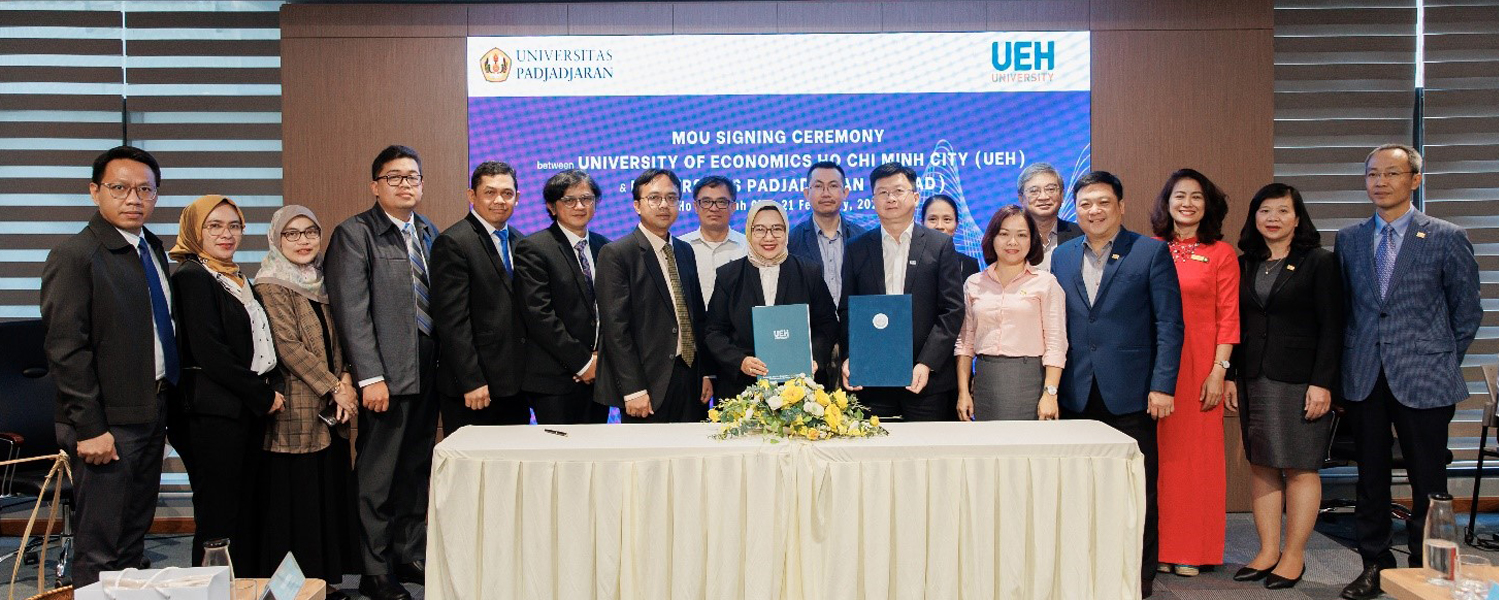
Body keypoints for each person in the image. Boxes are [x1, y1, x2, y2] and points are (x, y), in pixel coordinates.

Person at [1337, 144, 1482, 600]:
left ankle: (1428, 570)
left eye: (1392, 173)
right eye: (1372, 174)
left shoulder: (1445, 236)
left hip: (1425, 377)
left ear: (1415, 180)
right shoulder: (1349, 238)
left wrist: (1439, 357)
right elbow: (1346, 308)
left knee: (1429, 483)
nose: (1380, 182)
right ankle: (1375, 566)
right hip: (1365, 374)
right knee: (1371, 480)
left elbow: (1467, 312)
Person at [42, 146, 176, 587]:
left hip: (150, 409)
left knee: (133, 537)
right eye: (119, 188)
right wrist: (89, 428)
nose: (133, 198)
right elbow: (66, 349)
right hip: (104, 422)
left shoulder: (151, 248)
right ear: (95, 191)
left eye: (145, 189)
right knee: (100, 544)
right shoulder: (75, 254)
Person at [1050, 170, 1183, 598]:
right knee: (1079, 491)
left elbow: (1169, 324)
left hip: (1131, 393)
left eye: (1103, 202)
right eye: (1086, 203)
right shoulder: (1063, 256)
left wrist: (1162, 385)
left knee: (1136, 490)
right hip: (1075, 390)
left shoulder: (1149, 252)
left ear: (1121, 206)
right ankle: (1085, 572)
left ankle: (1139, 578)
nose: (1094, 210)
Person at [324, 145, 438, 600]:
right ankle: (374, 568)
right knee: (377, 475)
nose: (405, 185)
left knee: (414, 468)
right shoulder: (355, 233)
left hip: (427, 369)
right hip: (386, 378)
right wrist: (370, 376)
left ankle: (408, 553)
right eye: (394, 178)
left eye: (412, 177)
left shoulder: (427, 231)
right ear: (375, 186)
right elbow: (352, 313)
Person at [1221, 184, 1341, 591]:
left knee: (1300, 467)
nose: (1272, 218)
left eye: (1282, 211)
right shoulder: (1245, 263)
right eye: (1264, 211)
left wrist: (1322, 383)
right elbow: (1235, 327)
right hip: (1254, 375)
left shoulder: (1319, 263)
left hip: (1300, 379)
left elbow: (1333, 327)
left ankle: (1294, 556)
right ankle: (1267, 550)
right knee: (1262, 464)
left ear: (1297, 217)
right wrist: (1233, 375)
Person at [169, 195, 283, 570]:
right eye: (214, 226)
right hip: (211, 414)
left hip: (241, 410)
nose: (226, 234)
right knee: (218, 515)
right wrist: (262, 396)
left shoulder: (236, 276)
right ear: (194, 231)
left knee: (243, 510)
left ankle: (243, 587)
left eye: (234, 225)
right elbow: (211, 352)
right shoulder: (192, 277)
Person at [252, 205, 359, 598]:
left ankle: (320, 583)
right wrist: (336, 387)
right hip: (295, 411)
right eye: (291, 234)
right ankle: (291, 589)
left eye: (310, 233)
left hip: (329, 411)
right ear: (276, 239)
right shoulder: (270, 284)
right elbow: (288, 348)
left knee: (323, 498)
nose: (303, 241)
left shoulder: (319, 281)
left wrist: (346, 376)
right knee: (295, 503)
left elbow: (340, 337)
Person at [1148, 169, 1240, 578]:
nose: (1187, 203)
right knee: (1161, 461)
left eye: (1196, 197)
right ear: (1166, 203)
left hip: (1202, 364)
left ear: (1208, 205)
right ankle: (1161, 547)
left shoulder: (1220, 253)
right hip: (1158, 365)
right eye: (1179, 196)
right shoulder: (1149, 249)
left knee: (1197, 460)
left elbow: (1229, 318)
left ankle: (1194, 550)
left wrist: (1219, 370)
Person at [839, 162, 965, 421]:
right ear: (873, 200)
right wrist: (852, 357)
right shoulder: (857, 247)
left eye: (898, 190)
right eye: (882, 192)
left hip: (926, 378)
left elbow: (952, 310)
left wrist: (927, 362)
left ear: (915, 197)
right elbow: (848, 309)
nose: (891, 198)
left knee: (928, 457)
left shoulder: (939, 245)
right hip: (872, 378)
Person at [593, 169, 714, 422]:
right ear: (637, 205)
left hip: (690, 378)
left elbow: (696, 318)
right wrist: (632, 388)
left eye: (672, 198)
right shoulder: (617, 253)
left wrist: (706, 373)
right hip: (647, 383)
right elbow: (616, 330)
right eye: (654, 198)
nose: (664, 205)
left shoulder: (684, 250)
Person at [703, 201, 838, 399]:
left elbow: (827, 324)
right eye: (760, 230)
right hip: (742, 390)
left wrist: (814, 357)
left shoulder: (809, 272)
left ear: (786, 232)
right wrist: (740, 361)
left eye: (777, 229)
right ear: (749, 232)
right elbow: (713, 332)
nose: (769, 237)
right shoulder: (729, 276)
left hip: (801, 390)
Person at [430, 161, 530, 429]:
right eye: (490, 192)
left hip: (516, 386)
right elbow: (451, 321)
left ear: (517, 198)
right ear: (472, 196)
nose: (499, 200)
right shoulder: (453, 242)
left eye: (507, 193)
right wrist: (471, 380)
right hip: (474, 387)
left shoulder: (521, 242)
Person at [514, 170, 612, 424]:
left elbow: (611, 310)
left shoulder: (606, 247)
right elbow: (539, 315)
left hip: (599, 376)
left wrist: (599, 359)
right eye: (569, 200)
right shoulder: (534, 248)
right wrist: (582, 363)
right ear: (552, 206)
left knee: (595, 457)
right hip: (555, 380)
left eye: (587, 199)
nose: (580, 206)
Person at [954, 204, 1066, 421]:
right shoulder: (974, 283)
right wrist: (963, 392)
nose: (1012, 242)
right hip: (985, 378)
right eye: (1004, 234)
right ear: (992, 238)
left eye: (1021, 235)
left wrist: (1050, 393)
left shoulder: (1046, 283)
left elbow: (1056, 344)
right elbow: (965, 344)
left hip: (1028, 379)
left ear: (1031, 240)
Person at [788, 161, 869, 306]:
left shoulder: (862, 238)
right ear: (807, 193)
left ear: (845, 193)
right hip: (811, 326)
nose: (826, 193)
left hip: (853, 324)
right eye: (818, 186)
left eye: (833, 186)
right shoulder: (792, 241)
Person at [680, 175, 748, 307]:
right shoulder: (679, 247)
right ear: (696, 206)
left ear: (733, 207)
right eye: (706, 201)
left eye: (721, 202)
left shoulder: (748, 247)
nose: (714, 208)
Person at [1016, 162, 1083, 271]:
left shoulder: (1080, 235)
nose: (1043, 197)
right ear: (1021, 199)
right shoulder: (1011, 238)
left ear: (1062, 196)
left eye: (1051, 189)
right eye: (1034, 191)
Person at [921, 193, 981, 279]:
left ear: (956, 225)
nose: (939, 226)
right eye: (932, 219)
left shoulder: (969, 264)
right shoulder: (909, 261)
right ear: (922, 224)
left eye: (947, 219)